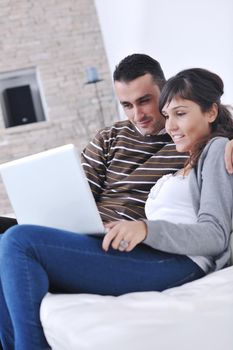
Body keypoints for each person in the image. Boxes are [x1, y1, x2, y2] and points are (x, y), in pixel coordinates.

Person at [1, 64, 233, 350]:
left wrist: (146, 229)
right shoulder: (185, 158)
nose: (170, 125)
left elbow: (215, 234)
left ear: (211, 112)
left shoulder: (218, 150)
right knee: (8, 242)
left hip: (180, 261)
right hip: (148, 252)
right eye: (168, 115)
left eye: (181, 114)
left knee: (19, 241)